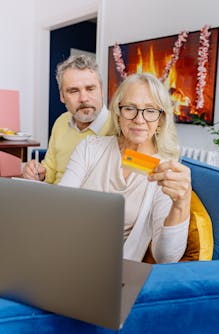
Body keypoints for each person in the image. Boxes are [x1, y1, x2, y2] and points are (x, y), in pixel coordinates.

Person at [59, 73, 191, 263]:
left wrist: (181, 204)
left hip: (111, 271)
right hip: (66, 251)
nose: (139, 119)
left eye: (150, 110)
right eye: (130, 108)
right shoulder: (90, 147)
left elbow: (166, 257)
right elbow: (60, 204)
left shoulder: (165, 171)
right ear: (118, 113)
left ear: (161, 119)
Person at [22, 55, 113, 184]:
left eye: (90, 89)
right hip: (56, 199)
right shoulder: (61, 122)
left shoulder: (119, 126)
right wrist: (37, 173)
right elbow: (50, 170)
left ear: (102, 91)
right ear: (62, 96)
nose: (83, 98)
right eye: (74, 91)